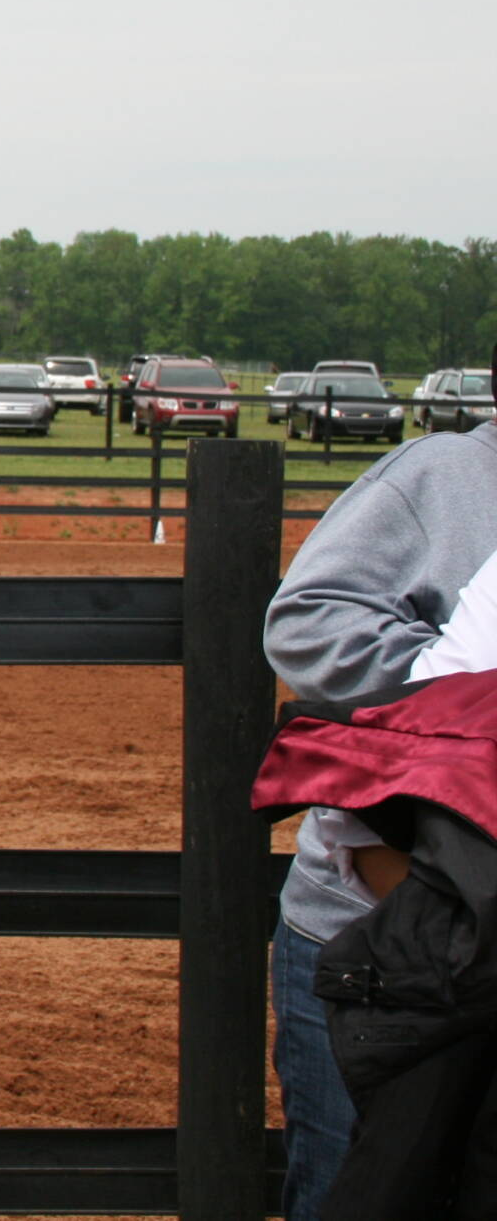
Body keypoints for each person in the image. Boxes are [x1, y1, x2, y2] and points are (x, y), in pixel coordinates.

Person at [261, 385, 497, 1221]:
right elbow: (306, 621)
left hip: (478, 937)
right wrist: (458, 693)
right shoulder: (444, 475)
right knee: (354, 1189)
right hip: (372, 936)